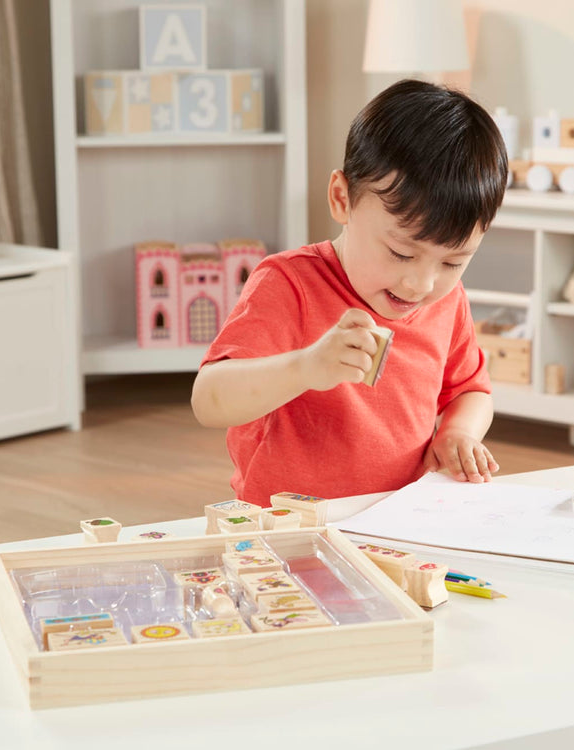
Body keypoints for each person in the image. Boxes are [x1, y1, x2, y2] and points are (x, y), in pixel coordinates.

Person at [191, 78, 509, 506]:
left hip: (396, 518)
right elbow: (209, 400)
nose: (421, 284)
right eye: (400, 253)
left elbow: (471, 390)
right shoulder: (289, 284)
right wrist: (305, 368)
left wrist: (458, 432)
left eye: (452, 262)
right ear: (342, 199)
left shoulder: (446, 301)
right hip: (286, 524)